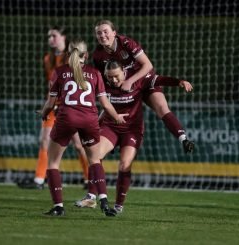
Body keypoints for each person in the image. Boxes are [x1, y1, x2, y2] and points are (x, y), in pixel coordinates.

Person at [75, 60, 193, 213]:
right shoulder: (102, 82)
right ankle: (91, 196)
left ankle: (118, 206)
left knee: (125, 164)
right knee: (95, 154)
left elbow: (158, 79)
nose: (114, 80)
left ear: (124, 71)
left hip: (132, 129)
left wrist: (179, 82)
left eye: (116, 76)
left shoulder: (137, 79)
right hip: (111, 126)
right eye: (110, 77)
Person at [42, 41, 128, 217]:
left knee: (52, 163)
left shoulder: (59, 72)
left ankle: (58, 206)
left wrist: (44, 113)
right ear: (86, 56)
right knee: (95, 161)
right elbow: (105, 103)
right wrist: (117, 117)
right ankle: (104, 201)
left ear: (68, 54)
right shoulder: (95, 73)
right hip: (90, 120)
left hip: (67, 118)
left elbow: (50, 103)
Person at [92, 20, 194, 153]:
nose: (102, 35)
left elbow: (148, 65)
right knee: (112, 110)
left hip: (143, 80)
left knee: (162, 108)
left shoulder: (126, 43)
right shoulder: (98, 55)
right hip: (124, 88)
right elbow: (104, 79)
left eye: (106, 32)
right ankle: (112, 140)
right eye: (99, 33)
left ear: (114, 33)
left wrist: (130, 81)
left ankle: (184, 139)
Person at [17, 25, 89, 190]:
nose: (50, 39)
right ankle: (39, 180)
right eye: (49, 36)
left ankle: (89, 178)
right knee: (44, 141)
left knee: (79, 145)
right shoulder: (48, 58)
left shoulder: (72, 57)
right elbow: (52, 85)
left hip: (70, 107)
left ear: (64, 37)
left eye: (54, 36)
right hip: (52, 107)